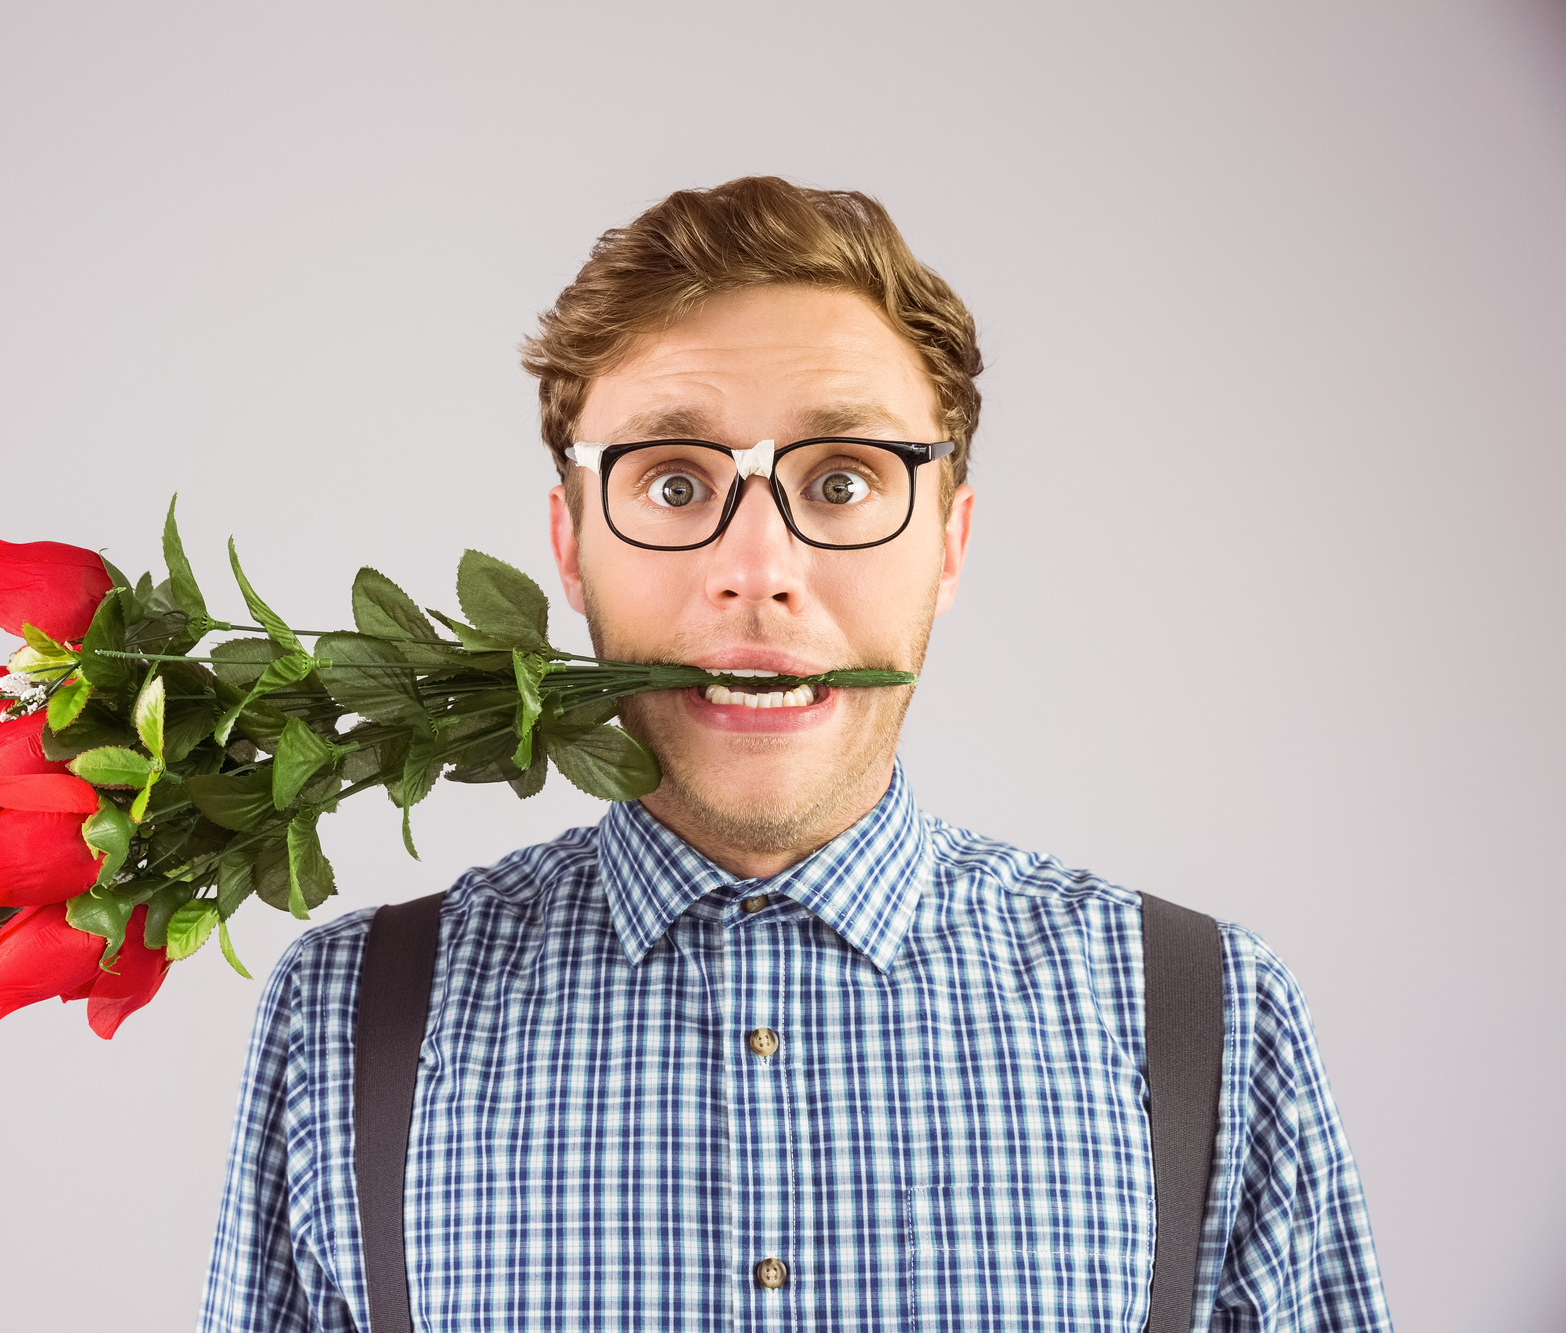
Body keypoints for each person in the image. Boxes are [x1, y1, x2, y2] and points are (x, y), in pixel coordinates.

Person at [197, 176, 1390, 1331]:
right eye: (672, 481)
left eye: (841, 480)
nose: (757, 564)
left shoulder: (1210, 1017)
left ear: (948, 541)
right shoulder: (347, 1020)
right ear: (568, 544)